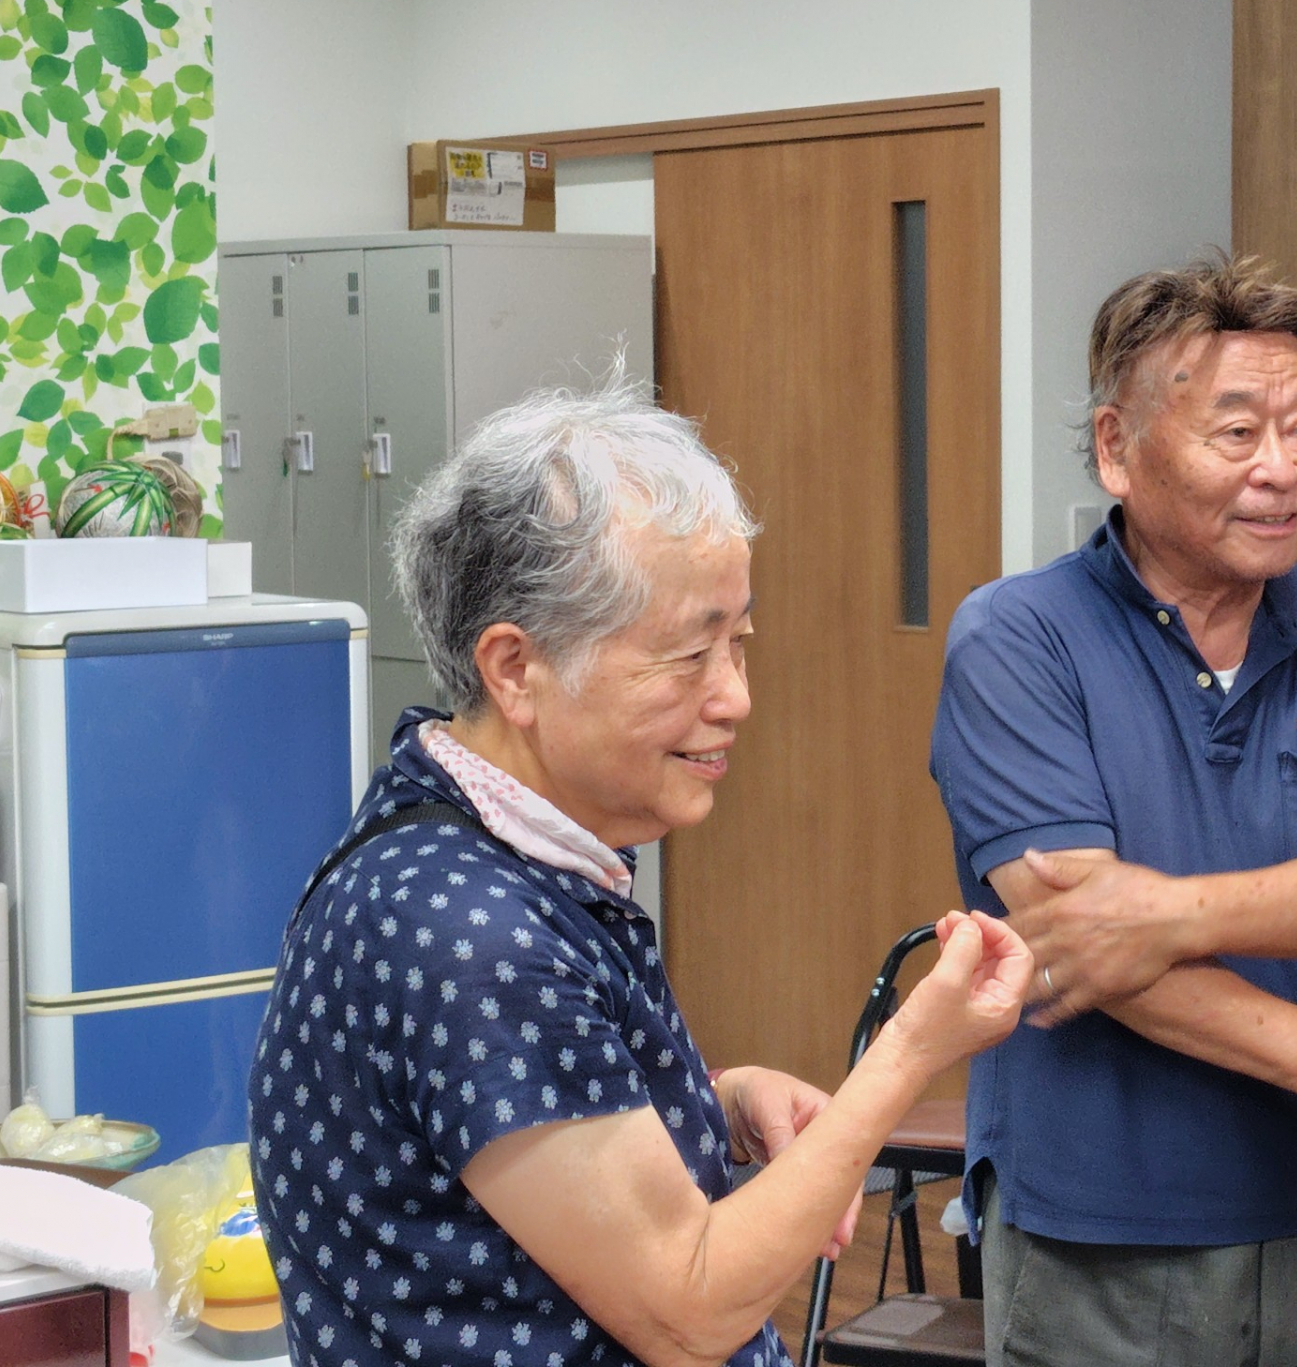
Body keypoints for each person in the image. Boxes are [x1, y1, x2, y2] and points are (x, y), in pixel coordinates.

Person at [250, 382, 1033, 1367]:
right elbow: (687, 1310)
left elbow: (501, 1138)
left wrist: (715, 1105)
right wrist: (914, 1048)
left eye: (739, 643)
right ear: (515, 668)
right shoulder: (468, 934)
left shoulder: (467, 837)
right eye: (690, 654)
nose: (735, 697)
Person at [930, 253, 1297, 1367]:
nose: (1284, 469)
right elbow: (1080, 936)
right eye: (1237, 433)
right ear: (1117, 450)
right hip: (1101, 1234)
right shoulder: (1018, 638)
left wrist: (1162, 913)